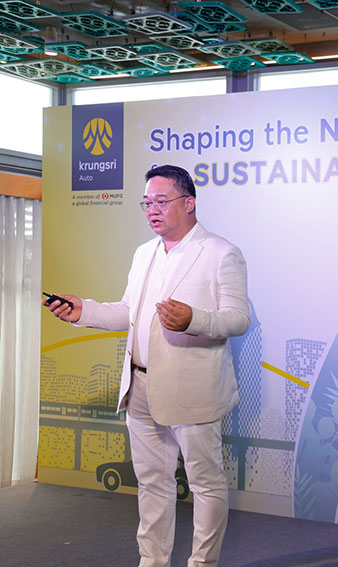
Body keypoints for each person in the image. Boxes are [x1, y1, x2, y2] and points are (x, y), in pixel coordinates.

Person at [44, 164, 250, 567]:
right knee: (152, 483)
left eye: (161, 201)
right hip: (138, 387)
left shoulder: (222, 253)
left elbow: (239, 319)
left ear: (188, 203)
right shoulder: (144, 253)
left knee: (205, 485)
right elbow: (129, 312)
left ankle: (202, 564)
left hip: (193, 390)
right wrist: (83, 311)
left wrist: (194, 319)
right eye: (147, 203)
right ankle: (152, 561)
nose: (152, 210)